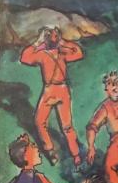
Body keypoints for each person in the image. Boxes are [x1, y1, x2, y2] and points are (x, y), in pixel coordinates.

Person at [19, 27, 83, 166]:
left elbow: (79, 53)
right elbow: (24, 58)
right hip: (55, 90)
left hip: (57, 90)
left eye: (54, 35)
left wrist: (63, 42)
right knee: (45, 122)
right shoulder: (45, 54)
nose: (52, 37)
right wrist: (38, 42)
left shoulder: (57, 53)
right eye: (50, 35)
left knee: (60, 125)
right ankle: (59, 152)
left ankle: (70, 154)